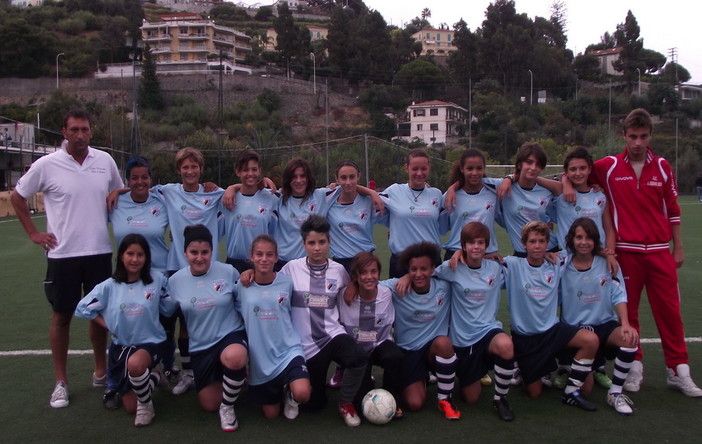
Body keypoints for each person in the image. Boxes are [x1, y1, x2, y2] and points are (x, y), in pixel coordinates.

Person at [573, 108, 702, 397]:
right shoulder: (609, 166)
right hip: (626, 253)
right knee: (627, 314)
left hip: (659, 252)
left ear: (650, 136)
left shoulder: (663, 167)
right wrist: (568, 183)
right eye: (633, 136)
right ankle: (634, 366)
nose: (638, 143)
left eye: (643, 136)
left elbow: (673, 208)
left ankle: (678, 370)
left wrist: (678, 246)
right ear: (624, 136)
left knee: (670, 312)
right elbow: (576, 171)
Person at [10, 109, 124, 408]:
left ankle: (101, 372)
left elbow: (118, 189)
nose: (80, 135)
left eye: (85, 129)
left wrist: (118, 192)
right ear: (64, 131)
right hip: (63, 255)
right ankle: (61, 382)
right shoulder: (46, 165)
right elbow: (17, 197)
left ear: (91, 131)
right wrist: (34, 233)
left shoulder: (105, 161)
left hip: (99, 251)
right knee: (61, 317)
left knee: (99, 317)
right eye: (74, 129)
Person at [255, 214, 367, 427]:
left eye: (322, 242)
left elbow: (350, 287)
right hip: (304, 344)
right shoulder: (290, 269)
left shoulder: (338, 270)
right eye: (312, 243)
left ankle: (346, 402)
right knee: (314, 405)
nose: (317, 248)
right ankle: (291, 387)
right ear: (304, 244)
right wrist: (249, 275)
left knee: (358, 357)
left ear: (329, 242)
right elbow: (269, 283)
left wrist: (353, 283)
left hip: (331, 335)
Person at [74, 234, 176, 426]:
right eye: (130, 254)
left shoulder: (156, 280)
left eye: (140, 255)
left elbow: (169, 307)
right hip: (121, 347)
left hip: (151, 342)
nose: (135, 259)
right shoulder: (109, 286)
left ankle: (146, 408)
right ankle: (155, 375)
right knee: (129, 407)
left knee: (136, 365)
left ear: (146, 258)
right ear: (121, 256)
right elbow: (83, 307)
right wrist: (108, 324)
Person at [503, 221, 599, 410]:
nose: (537, 246)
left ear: (547, 243)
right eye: (532, 241)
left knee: (591, 341)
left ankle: (571, 393)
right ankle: (525, 369)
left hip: (553, 332)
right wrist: (460, 253)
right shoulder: (512, 265)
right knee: (534, 393)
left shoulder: (557, 262)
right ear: (524, 244)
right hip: (526, 339)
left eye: (541, 241)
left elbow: (584, 247)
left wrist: (607, 255)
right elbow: (483, 263)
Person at [167, 225, 247, 432]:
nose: (200, 257)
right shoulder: (175, 281)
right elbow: (164, 311)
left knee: (236, 356)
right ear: (185, 253)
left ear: (212, 251)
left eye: (205, 252)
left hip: (229, 336)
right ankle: (230, 377)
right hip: (201, 345)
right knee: (208, 404)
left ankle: (228, 407)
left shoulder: (228, 272)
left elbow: (244, 300)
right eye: (194, 252)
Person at [434, 222, 516, 422]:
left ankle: (500, 398)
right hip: (462, 340)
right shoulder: (452, 268)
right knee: (471, 398)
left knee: (506, 345)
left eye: (481, 242)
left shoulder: (495, 267)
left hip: (488, 332)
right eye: (471, 243)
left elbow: (527, 262)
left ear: (487, 246)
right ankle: (468, 373)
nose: (476, 247)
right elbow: (428, 274)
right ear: (463, 245)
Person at [559, 218, 639, 415]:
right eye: (579, 237)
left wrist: (626, 323)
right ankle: (573, 366)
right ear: (571, 239)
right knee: (586, 390)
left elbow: (619, 294)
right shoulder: (561, 263)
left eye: (588, 238)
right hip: (576, 331)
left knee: (629, 338)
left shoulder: (607, 263)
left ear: (595, 241)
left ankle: (615, 393)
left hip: (603, 325)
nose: (583, 242)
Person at [383, 242, 461, 420]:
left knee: (444, 343)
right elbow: (369, 284)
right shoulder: (397, 287)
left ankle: (445, 399)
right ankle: (422, 378)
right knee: (414, 404)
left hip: (433, 350)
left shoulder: (444, 287)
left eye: (424, 269)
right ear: (407, 270)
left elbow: (469, 263)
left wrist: (485, 256)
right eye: (413, 269)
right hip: (408, 352)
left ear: (433, 269)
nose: (418, 274)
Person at [236, 234, 310, 419]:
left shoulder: (286, 282)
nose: (264, 259)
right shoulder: (242, 286)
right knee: (271, 414)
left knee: (302, 393)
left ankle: (292, 395)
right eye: (259, 254)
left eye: (269, 255)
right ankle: (283, 389)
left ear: (276, 257)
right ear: (251, 257)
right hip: (261, 361)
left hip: (288, 351)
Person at [340, 252, 404, 418]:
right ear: (355, 276)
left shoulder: (387, 291)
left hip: (379, 345)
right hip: (357, 352)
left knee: (395, 356)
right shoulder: (343, 296)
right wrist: (353, 284)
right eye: (363, 273)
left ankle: (392, 399)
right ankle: (361, 381)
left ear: (379, 273)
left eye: (373, 272)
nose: (369, 277)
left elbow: (415, 275)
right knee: (359, 402)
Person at [379, 149, 447, 278]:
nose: (419, 173)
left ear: (429, 168)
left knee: (431, 298)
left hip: (430, 261)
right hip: (401, 262)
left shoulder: (437, 194)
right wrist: (337, 188)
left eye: (424, 169)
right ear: (406, 168)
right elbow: (367, 200)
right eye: (415, 169)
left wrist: (454, 188)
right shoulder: (394, 191)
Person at [109, 156, 169, 275]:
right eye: (134, 178)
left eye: (144, 177)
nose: (140, 182)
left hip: (159, 276)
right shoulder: (115, 202)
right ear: (128, 180)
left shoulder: (163, 201)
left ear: (150, 179)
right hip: (126, 276)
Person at [222, 149, 278, 273]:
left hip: (261, 264)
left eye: (254, 169)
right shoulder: (227, 198)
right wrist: (232, 188)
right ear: (238, 172)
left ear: (259, 171)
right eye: (245, 170)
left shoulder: (271, 198)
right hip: (234, 264)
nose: (250, 173)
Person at [499, 142, 558, 256]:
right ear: (520, 164)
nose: (533, 168)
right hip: (522, 255)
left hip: (550, 252)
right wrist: (453, 188)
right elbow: (476, 180)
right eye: (529, 162)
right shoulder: (504, 186)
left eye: (538, 164)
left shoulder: (547, 192)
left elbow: (563, 189)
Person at [326, 160, 380, 272]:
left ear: (358, 177)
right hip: (341, 264)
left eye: (352, 177)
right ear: (337, 179)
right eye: (343, 178)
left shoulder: (369, 201)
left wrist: (372, 192)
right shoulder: (327, 201)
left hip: (366, 261)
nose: (348, 182)